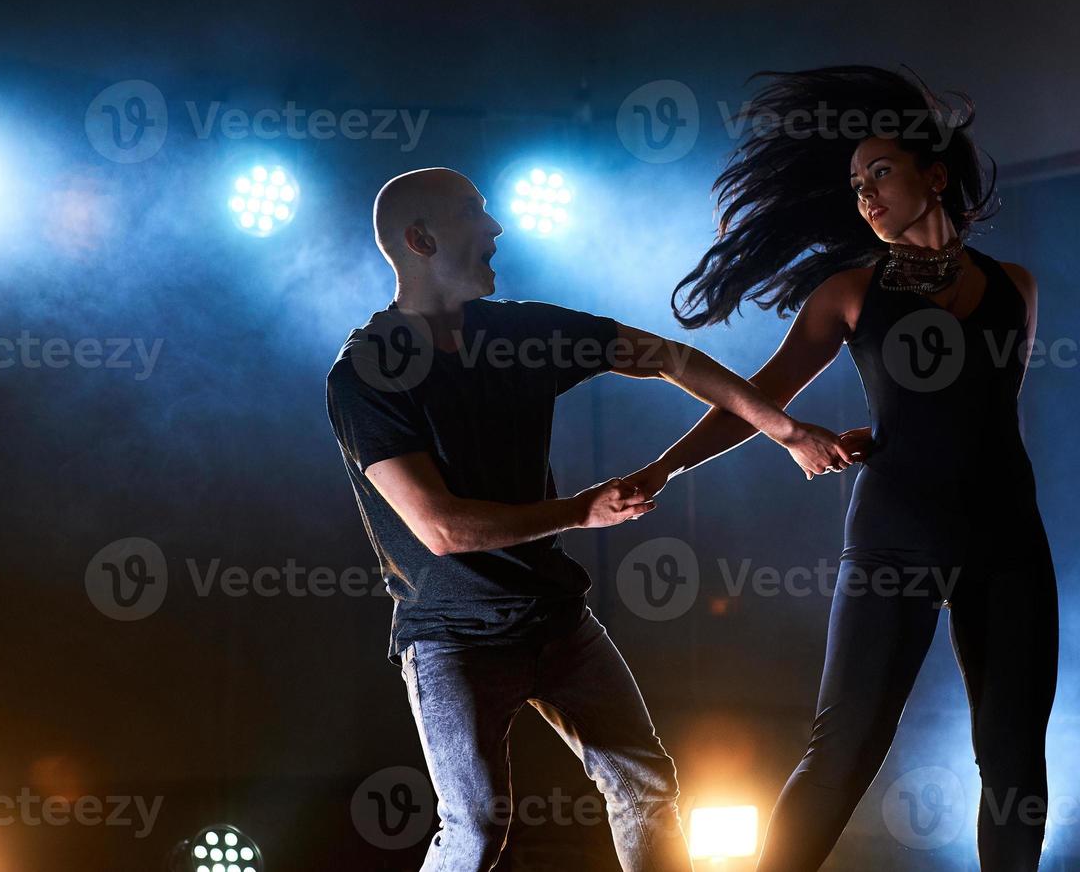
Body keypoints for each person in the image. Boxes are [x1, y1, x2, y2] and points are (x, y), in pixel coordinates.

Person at [324, 167, 853, 872]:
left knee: (645, 784)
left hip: (556, 619)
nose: (496, 228)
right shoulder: (365, 374)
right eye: (473, 213)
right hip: (452, 636)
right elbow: (442, 530)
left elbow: (668, 357)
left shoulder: (522, 333)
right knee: (475, 829)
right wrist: (581, 510)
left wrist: (784, 431)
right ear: (421, 239)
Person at [624, 67, 1059, 872]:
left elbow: (989, 416)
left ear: (935, 176)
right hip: (894, 537)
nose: (864, 196)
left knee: (1014, 764)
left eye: (880, 174)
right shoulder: (849, 292)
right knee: (845, 749)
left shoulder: (1017, 289)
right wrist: (665, 469)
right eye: (855, 184)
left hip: (1008, 544)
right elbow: (754, 401)